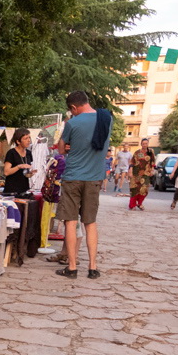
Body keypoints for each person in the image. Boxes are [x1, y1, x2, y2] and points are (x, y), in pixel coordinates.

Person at [55, 90, 111, 279]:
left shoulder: (72, 123)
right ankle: (92, 268)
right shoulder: (107, 120)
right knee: (90, 223)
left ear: (73, 107)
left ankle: (71, 268)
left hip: (73, 178)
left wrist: (68, 145)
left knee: (71, 222)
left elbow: (61, 149)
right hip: (94, 178)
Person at [3, 129, 35, 199]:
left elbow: (26, 172)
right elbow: (6, 172)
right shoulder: (11, 153)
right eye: (25, 138)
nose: (29, 140)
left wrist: (30, 173)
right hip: (12, 192)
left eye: (29, 137)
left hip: (24, 190)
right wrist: (19, 167)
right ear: (18, 141)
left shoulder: (29, 153)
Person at [127, 138, 155, 210]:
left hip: (146, 173)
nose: (144, 145)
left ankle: (139, 203)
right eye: (143, 143)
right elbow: (132, 162)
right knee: (134, 189)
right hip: (136, 173)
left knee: (144, 189)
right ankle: (132, 205)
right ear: (141, 144)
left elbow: (153, 162)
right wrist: (130, 170)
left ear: (148, 144)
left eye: (146, 143)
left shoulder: (151, 152)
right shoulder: (137, 152)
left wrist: (152, 170)